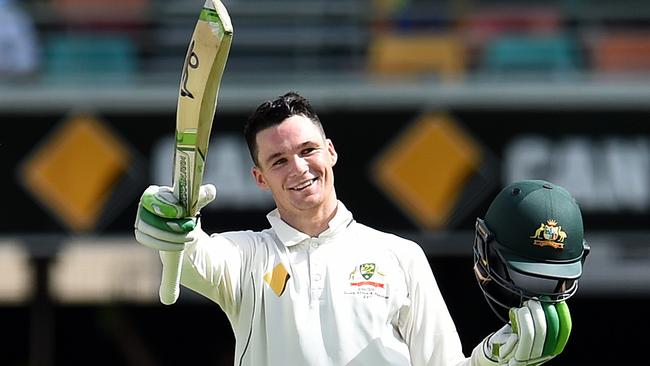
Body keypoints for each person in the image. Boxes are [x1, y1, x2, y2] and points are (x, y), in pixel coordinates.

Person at [134, 92, 585, 366]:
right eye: (278, 160)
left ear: (331, 151)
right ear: (259, 178)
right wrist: (170, 221)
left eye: (308, 150)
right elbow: (193, 254)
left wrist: (496, 358)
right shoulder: (247, 256)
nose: (299, 168)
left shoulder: (399, 256)